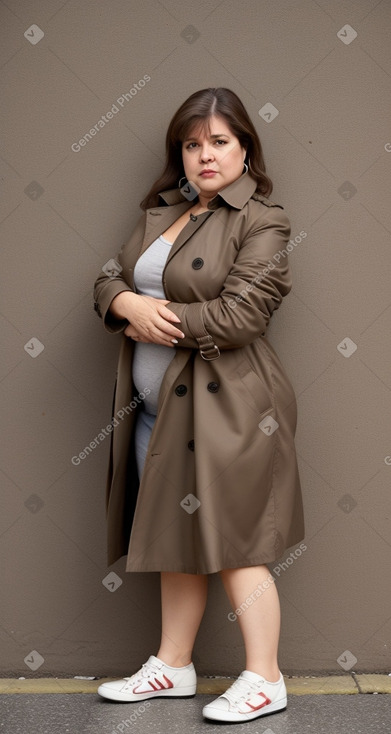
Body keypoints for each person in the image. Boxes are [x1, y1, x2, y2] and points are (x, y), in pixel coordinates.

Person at [93, 87, 305, 723]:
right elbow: (109, 275)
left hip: (232, 410)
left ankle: (266, 679)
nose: (204, 156)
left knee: (241, 545)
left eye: (219, 142)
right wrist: (123, 304)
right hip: (159, 414)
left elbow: (243, 314)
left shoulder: (264, 220)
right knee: (172, 536)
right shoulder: (162, 212)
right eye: (192, 144)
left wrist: (153, 316)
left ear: (245, 149)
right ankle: (173, 666)